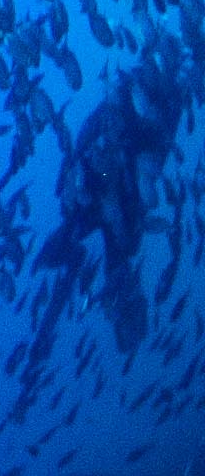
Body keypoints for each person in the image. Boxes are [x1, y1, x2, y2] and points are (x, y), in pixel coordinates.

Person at [31, 46, 194, 365]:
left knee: (100, 231)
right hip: (105, 176)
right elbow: (99, 160)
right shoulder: (111, 223)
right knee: (99, 230)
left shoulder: (148, 119)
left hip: (112, 173)